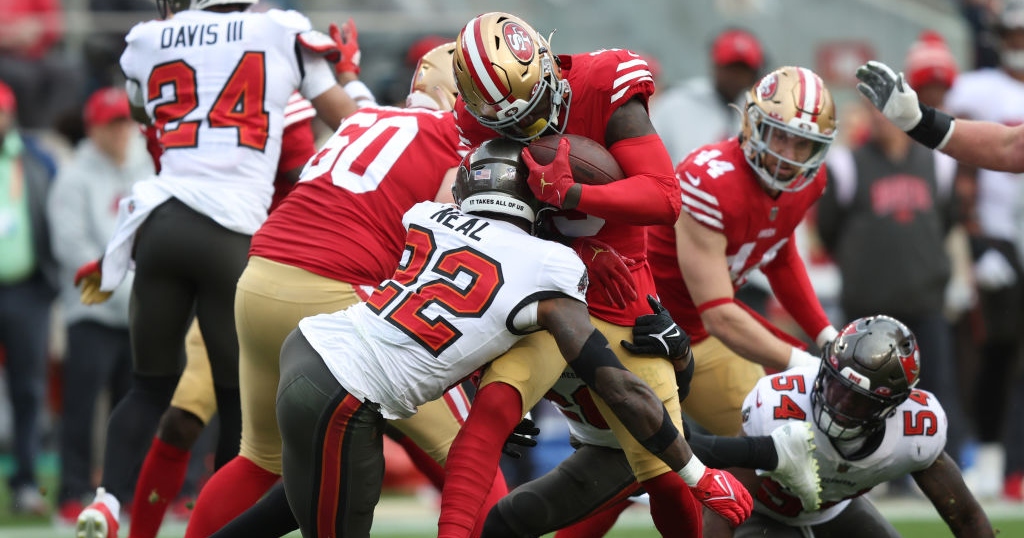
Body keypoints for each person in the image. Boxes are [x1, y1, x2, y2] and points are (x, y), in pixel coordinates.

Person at [275, 138, 751, 538]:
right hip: (349, 392)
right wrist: (702, 476)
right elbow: (618, 386)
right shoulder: (549, 269)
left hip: (308, 349)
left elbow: (453, 315)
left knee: (291, 508)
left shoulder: (425, 217)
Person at [182, 40, 501, 538]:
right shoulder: (456, 138)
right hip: (333, 293)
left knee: (260, 459)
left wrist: (350, 71)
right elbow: (449, 241)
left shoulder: (363, 120)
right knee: (469, 453)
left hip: (260, 278)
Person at [72, 0, 359, 535]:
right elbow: (352, 124)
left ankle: (107, 499)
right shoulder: (279, 31)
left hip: (159, 223)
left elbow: (143, 113)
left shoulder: (148, 39)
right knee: (239, 407)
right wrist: (348, 77)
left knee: (148, 387)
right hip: (231, 232)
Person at [441, 11, 730, 538]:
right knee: (490, 411)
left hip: (621, 291)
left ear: (546, 65)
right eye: (512, 124)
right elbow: (469, 219)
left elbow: (665, 198)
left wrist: (574, 195)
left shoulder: (604, 83)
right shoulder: (473, 120)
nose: (531, 130)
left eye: (533, 111)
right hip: (543, 289)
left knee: (663, 471)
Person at [856, 8, 1024, 500]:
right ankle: (995, 460)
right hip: (995, 243)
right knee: (996, 358)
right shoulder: (981, 88)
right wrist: (920, 122)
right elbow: (1012, 147)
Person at [646, 66, 839, 440]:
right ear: (753, 124)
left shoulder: (809, 182)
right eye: (779, 136)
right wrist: (803, 363)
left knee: (778, 440)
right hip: (639, 325)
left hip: (697, 336)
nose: (788, 155)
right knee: (629, 468)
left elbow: (780, 259)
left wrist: (826, 336)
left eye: (802, 143)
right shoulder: (709, 179)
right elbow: (720, 313)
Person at [703, 315, 995, 538]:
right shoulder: (780, 404)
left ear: (891, 406)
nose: (839, 404)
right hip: (760, 511)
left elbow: (965, 515)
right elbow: (725, 501)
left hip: (834, 511)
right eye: (835, 386)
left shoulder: (917, 429)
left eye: (858, 400)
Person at [46, 86, 153, 525]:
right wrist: (122, 285)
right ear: (93, 129)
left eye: (125, 122)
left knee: (130, 407)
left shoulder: (147, 165)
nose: (121, 132)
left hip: (137, 312)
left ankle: (122, 493)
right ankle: (72, 493)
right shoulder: (72, 177)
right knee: (81, 404)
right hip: (90, 312)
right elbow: (72, 246)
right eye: (112, 124)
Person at [0, 77, 58, 515]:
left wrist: (50, 281)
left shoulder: (35, 160)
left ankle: (24, 481)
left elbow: (53, 215)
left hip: (26, 290)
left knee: (28, 390)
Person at [651, 27, 764, 165]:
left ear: (754, 74)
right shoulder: (677, 102)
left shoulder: (759, 113)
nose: (735, 77)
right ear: (715, 65)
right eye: (729, 68)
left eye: (742, 70)